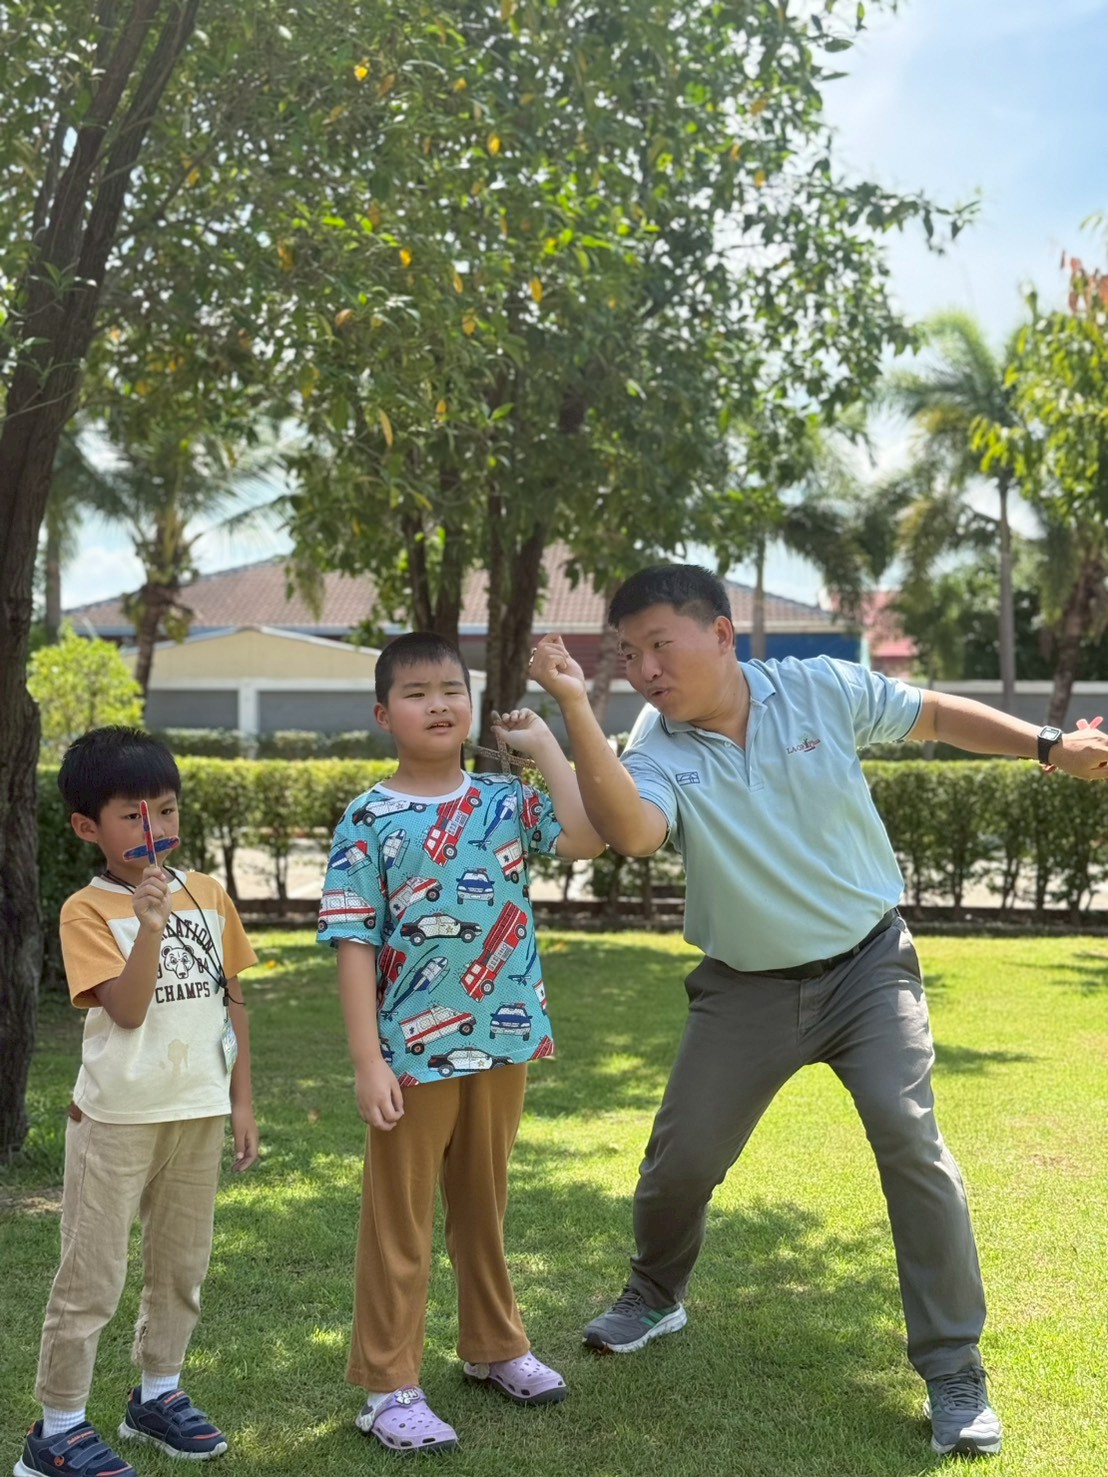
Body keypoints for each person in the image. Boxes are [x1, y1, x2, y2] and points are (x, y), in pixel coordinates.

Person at [528, 563, 1108, 1461]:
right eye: (629, 653)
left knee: (910, 1140)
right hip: (745, 986)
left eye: (659, 645)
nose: (645, 668)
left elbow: (934, 715)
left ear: (721, 634)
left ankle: (954, 1368)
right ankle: (656, 1291)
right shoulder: (657, 743)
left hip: (869, 967)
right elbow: (634, 834)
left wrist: (1045, 743)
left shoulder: (819, 688)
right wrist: (573, 703)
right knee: (680, 1162)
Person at [318, 631, 604, 1454]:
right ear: (383, 714)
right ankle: (387, 1385)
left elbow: (586, 836)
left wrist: (546, 743)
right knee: (399, 1220)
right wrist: (367, 1061)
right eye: (416, 693)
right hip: (411, 1056)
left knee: (485, 1206)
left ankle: (494, 1345)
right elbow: (353, 943)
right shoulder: (368, 818)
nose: (439, 704)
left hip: (503, 1041)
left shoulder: (504, 798)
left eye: (452, 689)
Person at [16, 728, 259, 1477]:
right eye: (132, 815)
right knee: (92, 1276)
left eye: (167, 809)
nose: (154, 828)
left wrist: (241, 1100)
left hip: (197, 1111)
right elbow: (124, 1010)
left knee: (181, 1265)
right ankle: (57, 1429)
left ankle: (157, 1393)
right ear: (87, 826)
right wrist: (150, 925)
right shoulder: (85, 910)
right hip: (116, 1119)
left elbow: (232, 999)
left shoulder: (209, 893)